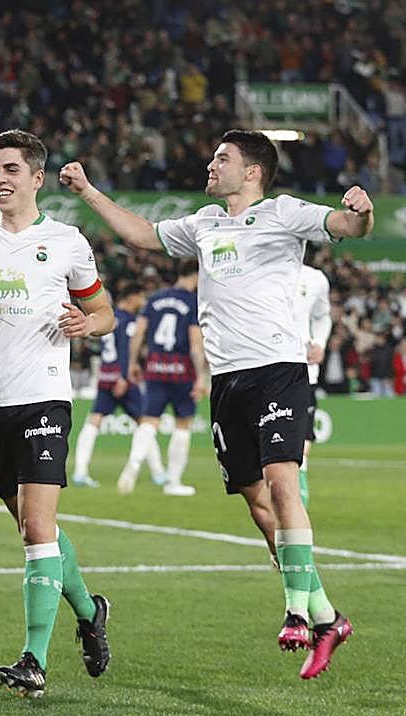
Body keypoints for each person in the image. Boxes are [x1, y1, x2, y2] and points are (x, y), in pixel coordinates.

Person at [60, 129, 374, 679]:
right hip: (228, 382)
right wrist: (88, 190)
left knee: (282, 482)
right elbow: (142, 235)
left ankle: (296, 611)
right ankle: (329, 616)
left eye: (221, 158)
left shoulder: (284, 213)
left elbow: (349, 227)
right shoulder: (203, 225)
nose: (210, 164)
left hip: (278, 368)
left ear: (251, 171)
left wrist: (362, 211)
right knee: (257, 504)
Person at [0, 129, 115, 699]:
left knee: (37, 528)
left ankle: (33, 657)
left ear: (36, 178)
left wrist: (88, 325)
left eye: (11, 169)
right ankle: (89, 610)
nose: (0, 178)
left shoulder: (66, 241)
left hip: (44, 395)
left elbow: (102, 311)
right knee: (36, 529)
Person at [116, 262, 208, 496]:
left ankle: (133, 466)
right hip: (182, 369)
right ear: (196, 276)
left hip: (155, 367)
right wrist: (201, 378)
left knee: (148, 421)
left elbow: (138, 334)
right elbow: (196, 346)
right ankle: (173, 482)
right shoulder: (192, 302)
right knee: (183, 424)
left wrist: (133, 364)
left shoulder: (155, 299)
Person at [70, 283, 165, 487]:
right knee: (145, 423)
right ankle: (159, 473)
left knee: (93, 422)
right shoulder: (129, 321)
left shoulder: (109, 319)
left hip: (105, 377)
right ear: (131, 298)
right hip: (124, 380)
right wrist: (123, 376)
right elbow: (125, 349)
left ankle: (80, 471)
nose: (142, 301)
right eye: (140, 296)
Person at [293, 263, 332, 506]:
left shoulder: (315, 278)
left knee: (301, 441)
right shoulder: (258, 267)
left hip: (305, 372)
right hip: (265, 370)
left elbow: (322, 316)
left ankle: (298, 502)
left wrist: (319, 342)